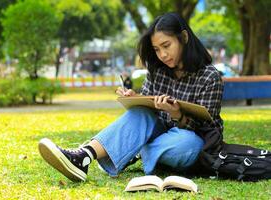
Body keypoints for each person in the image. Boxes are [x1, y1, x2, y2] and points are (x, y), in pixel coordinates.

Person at [38, 12, 224, 182]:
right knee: (140, 113)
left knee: (186, 143)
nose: (162, 55)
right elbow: (145, 115)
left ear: (183, 38)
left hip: (192, 141)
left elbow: (208, 128)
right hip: (160, 134)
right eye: (157, 49)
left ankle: (130, 149)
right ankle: (83, 157)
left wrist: (178, 116)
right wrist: (136, 98)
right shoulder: (157, 70)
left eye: (166, 46)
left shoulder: (210, 77)